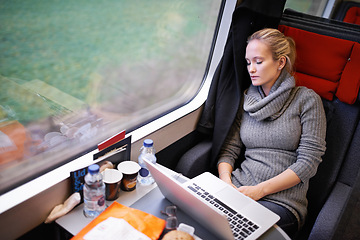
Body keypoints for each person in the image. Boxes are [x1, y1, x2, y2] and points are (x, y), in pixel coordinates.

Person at [217, 28, 327, 237]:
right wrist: (226, 181)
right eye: (248, 62)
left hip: (282, 201)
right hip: (239, 188)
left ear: (280, 62)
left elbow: (308, 163)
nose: (251, 69)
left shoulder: (307, 100)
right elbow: (229, 149)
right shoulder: (246, 100)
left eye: (258, 61)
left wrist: (260, 191)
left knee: (231, 231)